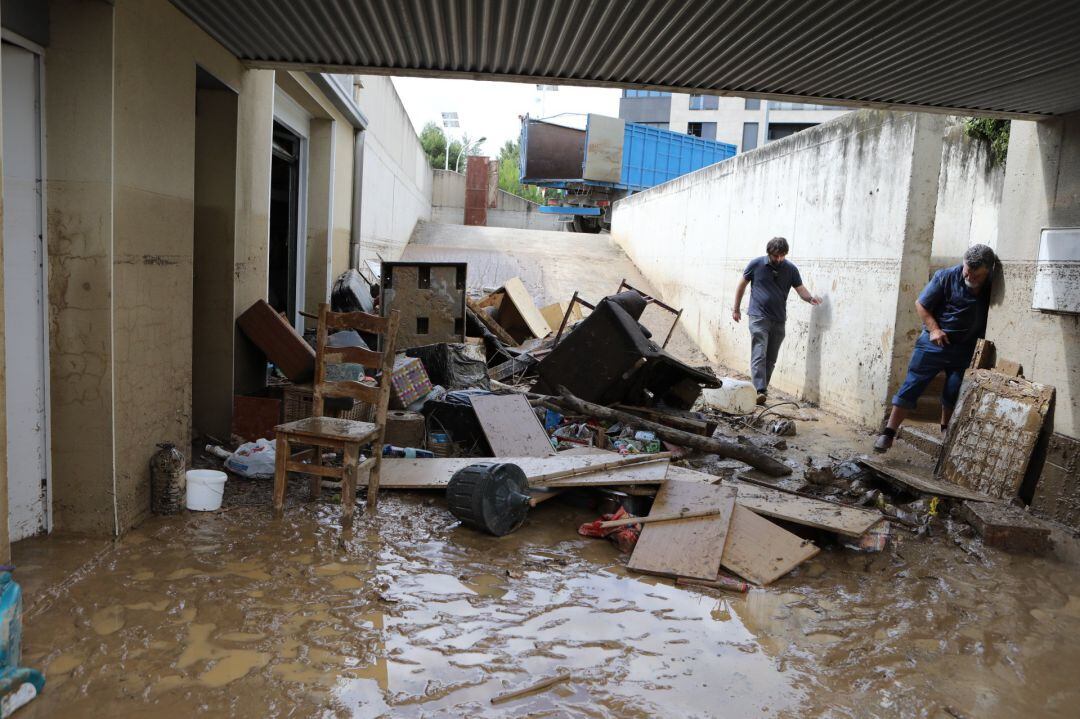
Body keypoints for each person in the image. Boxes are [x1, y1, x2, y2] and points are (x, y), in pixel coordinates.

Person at [873, 244, 996, 452]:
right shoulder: (945, 277)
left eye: (977, 276)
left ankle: (945, 429)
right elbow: (921, 304)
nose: (970, 277)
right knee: (913, 385)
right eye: (967, 271)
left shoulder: (992, 285)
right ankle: (888, 433)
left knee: (954, 388)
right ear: (963, 264)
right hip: (934, 344)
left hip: (965, 349)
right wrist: (934, 329)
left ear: (988, 272)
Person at [732, 237, 822, 404]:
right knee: (759, 351)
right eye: (776, 256)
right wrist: (736, 309)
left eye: (783, 256)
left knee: (771, 358)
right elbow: (742, 285)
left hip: (779, 319)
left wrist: (810, 298)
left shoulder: (791, 269)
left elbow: (800, 288)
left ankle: (761, 390)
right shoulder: (756, 264)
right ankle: (760, 389)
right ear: (769, 253)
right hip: (758, 317)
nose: (779, 259)